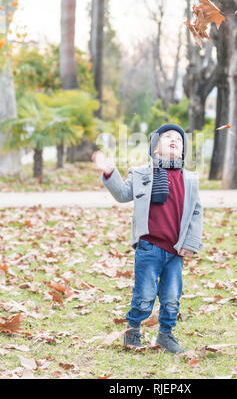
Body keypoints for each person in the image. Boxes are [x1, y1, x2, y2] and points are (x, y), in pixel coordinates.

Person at [92, 123, 203, 354]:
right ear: (155, 149)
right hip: (149, 247)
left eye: (179, 139)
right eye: (168, 137)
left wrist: (191, 243)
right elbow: (123, 194)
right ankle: (133, 329)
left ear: (183, 150)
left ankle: (165, 335)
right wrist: (110, 172)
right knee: (144, 295)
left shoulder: (189, 179)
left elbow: (195, 211)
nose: (174, 140)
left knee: (172, 297)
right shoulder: (143, 173)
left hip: (175, 251)